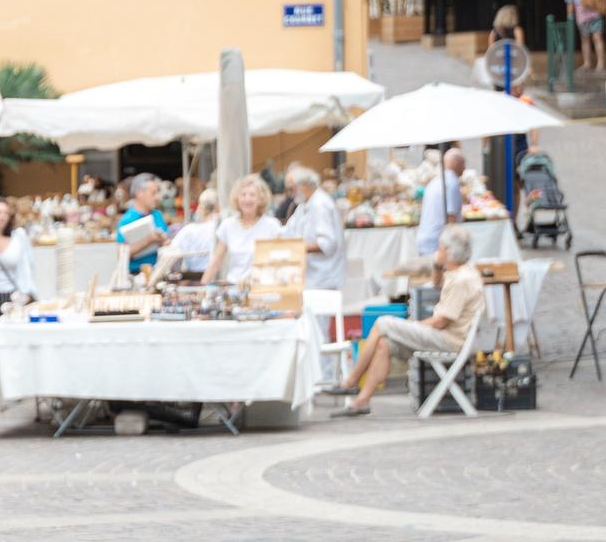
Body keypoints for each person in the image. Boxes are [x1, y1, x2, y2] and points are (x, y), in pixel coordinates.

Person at [321, 226, 486, 417]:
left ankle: (351, 381)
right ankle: (361, 401)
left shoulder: (461, 280)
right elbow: (436, 284)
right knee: (384, 344)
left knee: (383, 323)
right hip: (447, 337)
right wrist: (436, 265)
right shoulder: (461, 273)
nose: (437, 251)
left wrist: (414, 326)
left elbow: (441, 322)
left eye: (440, 247)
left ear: (448, 251)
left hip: (448, 340)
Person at [203, 174, 286, 287]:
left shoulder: (272, 225)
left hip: (261, 287)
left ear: (261, 199)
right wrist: (203, 286)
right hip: (233, 288)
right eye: (243, 194)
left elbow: (278, 260)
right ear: (237, 198)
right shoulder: (228, 225)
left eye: (252, 195)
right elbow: (217, 260)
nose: (247, 199)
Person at [281, 164, 345, 293]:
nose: (289, 193)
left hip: (322, 278)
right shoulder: (303, 205)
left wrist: (299, 248)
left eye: (291, 188)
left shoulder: (321, 205)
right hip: (309, 276)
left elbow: (328, 242)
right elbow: (286, 232)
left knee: (317, 312)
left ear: (303, 186)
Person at [156, 187, 221, 281]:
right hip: (216, 278)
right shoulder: (220, 228)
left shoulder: (189, 229)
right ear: (217, 207)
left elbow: (169, 254)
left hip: (192, 279)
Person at [416, 146, 466, 258]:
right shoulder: (452, 182)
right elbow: (451, 216)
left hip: (425, 240)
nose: (465, 167)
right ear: (456, 164)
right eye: (463, 163)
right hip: (437, 242)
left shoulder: (435, 181)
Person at [115, 174, 168, 277]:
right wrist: (150, 240)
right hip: (136, 274)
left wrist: (165, 240)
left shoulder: (157, 215)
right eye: (153, 193)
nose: (157, 197)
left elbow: (168, 240)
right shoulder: (127, 220)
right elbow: (121, 253)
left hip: (158, 272)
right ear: (140, 194)